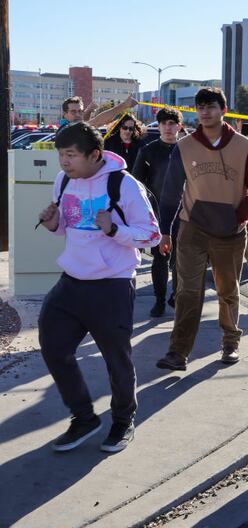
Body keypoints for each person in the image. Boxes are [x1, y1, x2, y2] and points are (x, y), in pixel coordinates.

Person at [37, 122, 161, 453]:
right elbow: (67, 227)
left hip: (112, 285)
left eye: (70, 155)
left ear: (94, 155)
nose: (64, 162)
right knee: (53, 346)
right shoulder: (64, 181)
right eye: (61, 155)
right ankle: (84, 418)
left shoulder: (124, 185)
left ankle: (123, 420)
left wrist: (115, 230)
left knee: (116, 358)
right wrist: (53, 224)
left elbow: (152, 235)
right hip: (72, 281)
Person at [155, 87, 248, 370]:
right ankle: (178, 352)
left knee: (228, 290)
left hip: (229, 232)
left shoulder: (244, 146)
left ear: (223, 110)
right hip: (192, 229)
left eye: (211, 106)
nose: (204, 112)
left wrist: (237, 217)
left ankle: (230, 343)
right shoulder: (185, 145)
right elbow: (170, 193)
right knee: (187, 292)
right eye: (200, 107)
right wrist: (165, 231)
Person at [132, 107, 183, 316]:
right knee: (160, 259)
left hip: (185, 214)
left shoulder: (187, 149)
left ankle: (177, 297)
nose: (168, 128)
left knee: (182, 260)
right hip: (158, 215)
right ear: (159, 126)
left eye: (172, 123)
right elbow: (137, 185)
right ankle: (160, 300)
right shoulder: (148, 150)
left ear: (179, 126)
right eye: (163, 123)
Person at [59, 95, 138, 129]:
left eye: (80, 111)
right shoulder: (67, 129)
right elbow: (96, 122)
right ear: (65, 114)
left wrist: (88, 111)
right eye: (73, 112)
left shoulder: (73, 125)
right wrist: (124, 105)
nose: (78, 114)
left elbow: (85, 122)